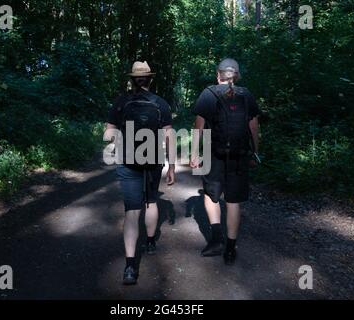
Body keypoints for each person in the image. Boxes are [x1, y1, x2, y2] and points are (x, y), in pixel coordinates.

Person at [105, 61, 175, 285]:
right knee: (151, 200)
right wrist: (172, 165)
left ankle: (129, 267)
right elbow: (169, 136)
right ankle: (151, 242)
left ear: (132, 79)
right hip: (153, 159)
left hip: (128, 161)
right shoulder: (160, 103)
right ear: (150, 80)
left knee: (132, 212)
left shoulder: (121, 101)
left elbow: (108, 135)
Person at [190, 58, 260, 265]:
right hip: (239, 154)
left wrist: (194, 153)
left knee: (211, 196)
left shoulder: (208, 93)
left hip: (214, 153)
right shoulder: (246, 95)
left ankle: (215, 239)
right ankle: (230, 248)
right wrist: (255, 152)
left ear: (217, 74)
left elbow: (198, 127)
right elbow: (254, 127)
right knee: (233, 202)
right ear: (236, 75)